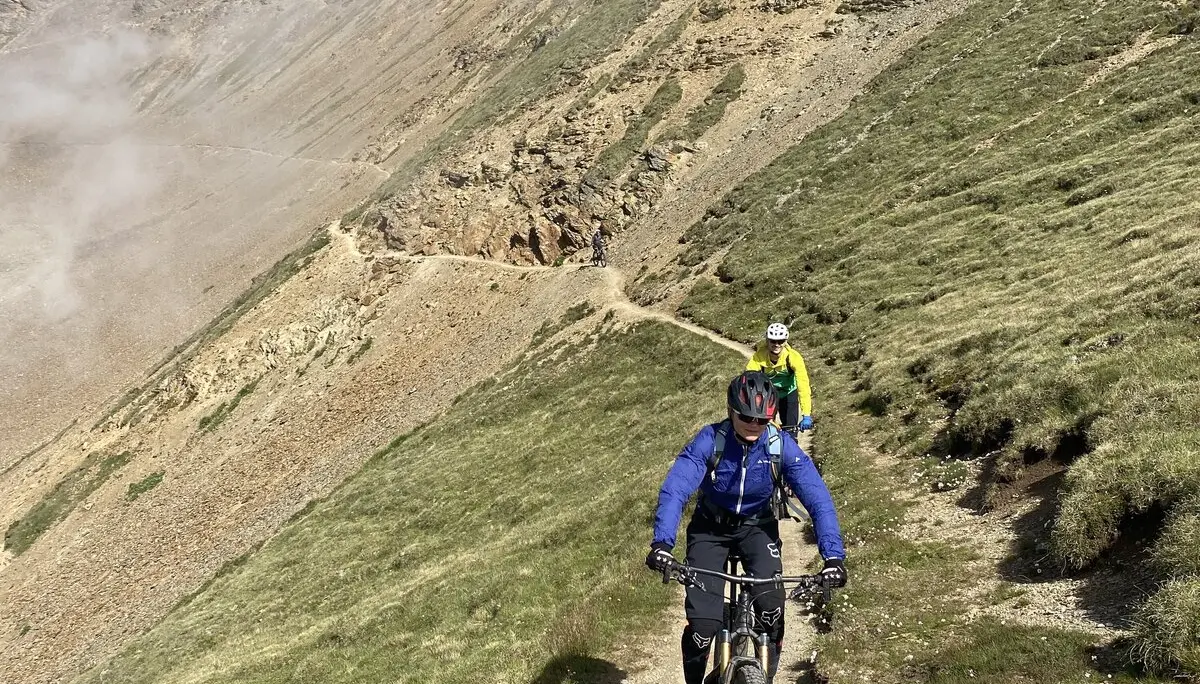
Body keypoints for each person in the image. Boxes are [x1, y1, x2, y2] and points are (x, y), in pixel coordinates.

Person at [646, 371, 847, 684]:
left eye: (762, 420)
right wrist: (662, 545)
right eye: (746, 417)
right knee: (703, 627)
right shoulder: (710, 440)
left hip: (757, 527)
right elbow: (675, 489)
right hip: (710, 529)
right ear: (730, 411)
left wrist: (833, 558)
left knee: (771, 611)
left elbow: (818, 499)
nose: (754, 426)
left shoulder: (780, 447)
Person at [747, 323, 813, 434]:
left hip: (788, 393)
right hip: (768, 395)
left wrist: (806, 414)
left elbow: (803, 386)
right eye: (773, 341)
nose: (776, 344)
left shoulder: (793, 357)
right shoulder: (759, 357)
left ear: (785, 341)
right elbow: (749, 380)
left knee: (790, 433)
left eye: (780, 341)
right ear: (767, 341)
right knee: (764, 431)